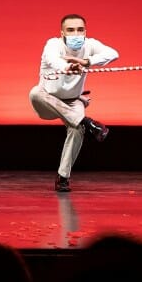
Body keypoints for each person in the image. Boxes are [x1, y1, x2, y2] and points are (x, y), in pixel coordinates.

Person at [29, 13, 118, 192]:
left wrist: (87, 61)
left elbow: (113, 54)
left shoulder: (90, 45)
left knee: (77, 129)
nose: (75, 34)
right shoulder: (53, 44)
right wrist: (68, 66)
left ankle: (63, 177)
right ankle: (87, 121)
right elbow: (53, 60)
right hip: (48, 101)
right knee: (35, 92)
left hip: (72, 102)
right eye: (70, 30)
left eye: (79, 30)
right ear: (62, 33)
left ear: (85, 31)